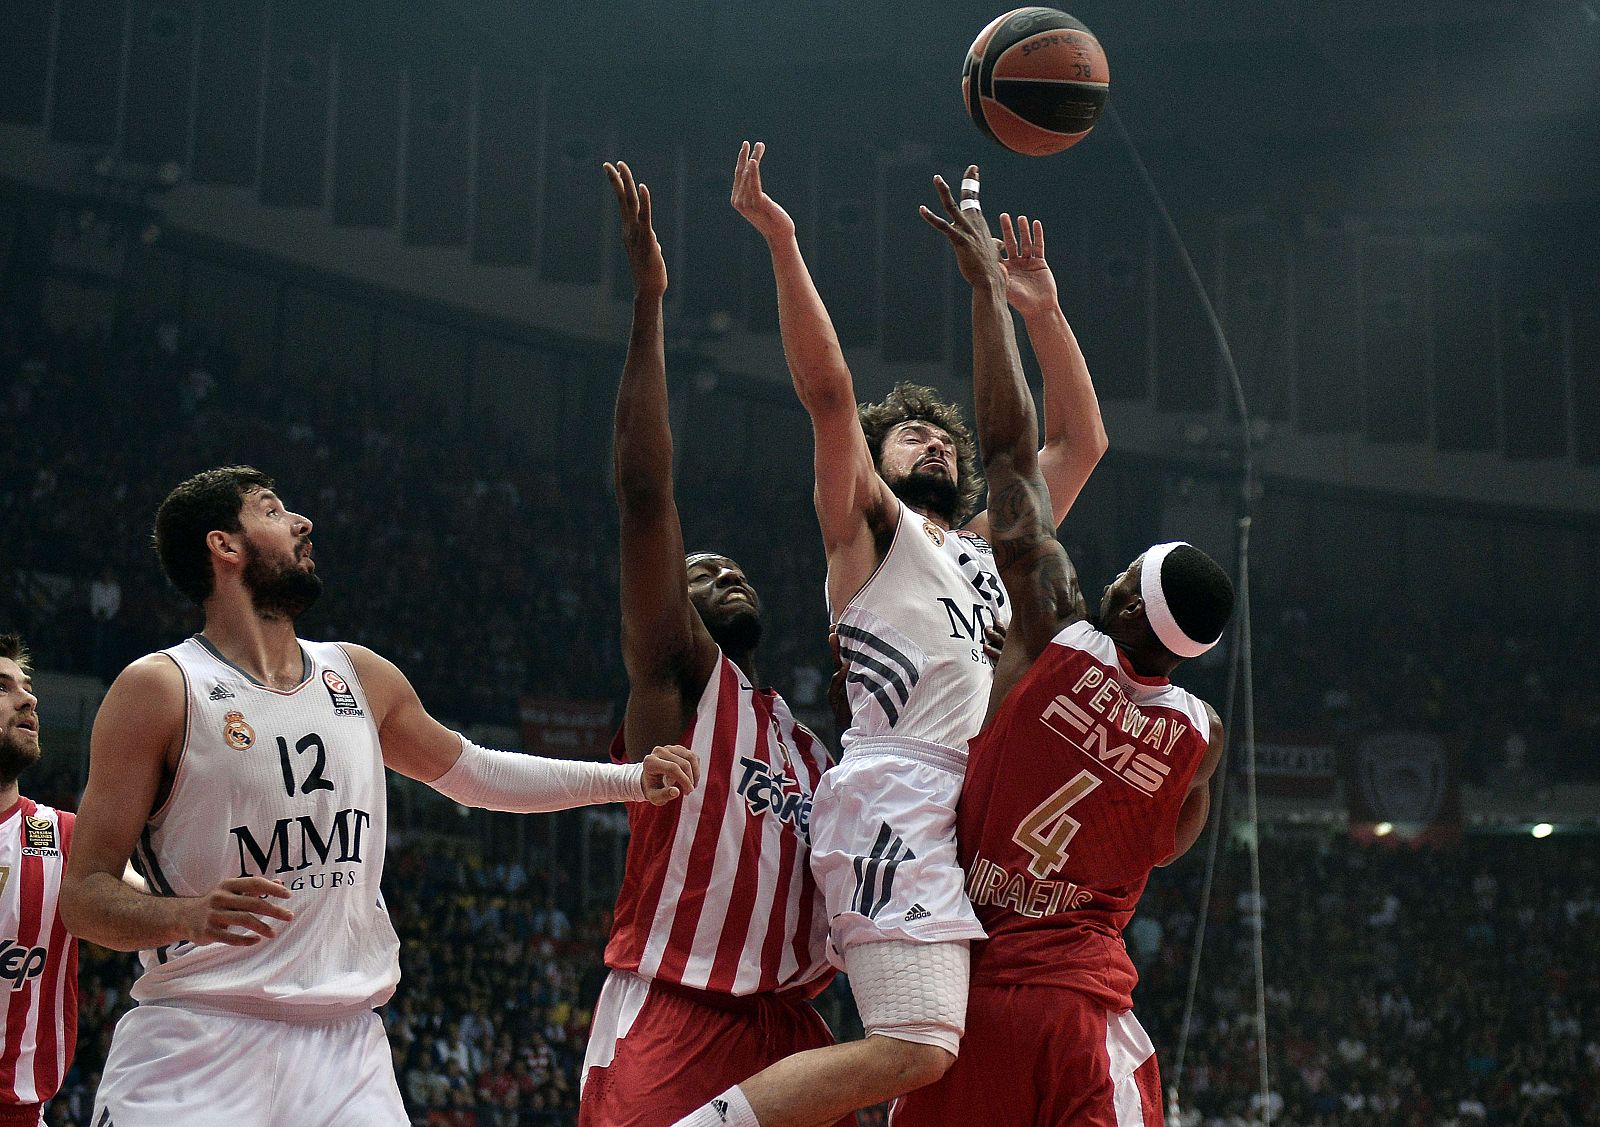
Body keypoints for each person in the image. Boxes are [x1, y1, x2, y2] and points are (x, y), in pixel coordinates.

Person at [672, 147, 1107, 1127]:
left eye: (941, 433)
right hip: (895, 791)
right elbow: (827, 393)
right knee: (915, 1046)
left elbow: (1080, 444)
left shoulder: (993, 547)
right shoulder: (868, 532)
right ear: (869, 464)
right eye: (907, 433)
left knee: (952, 1059)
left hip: (975, 810)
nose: (934, 439)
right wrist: (783, 243)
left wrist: (1037, 310)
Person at [58, 467, 699, 1127]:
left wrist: (626, 779)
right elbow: (83, 898)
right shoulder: (161, 688)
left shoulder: (357, 673)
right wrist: (186, 915)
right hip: (197, 1041)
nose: (303, 522)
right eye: (274, 510)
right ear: (225, 546)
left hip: (345, 1055)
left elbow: (474, 772)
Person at [894, 169, 1234, 1126]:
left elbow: (1013, 448)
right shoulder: (1202, 733)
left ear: (1123, 594)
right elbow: (1166, 840)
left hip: (966, 994)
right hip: (1084, 1009)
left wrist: (989, 296)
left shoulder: (1050, 626)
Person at [579, 160, 846, 1127]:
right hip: (674, 1012)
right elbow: (647, 495)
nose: (724, 573)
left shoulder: (815, 751)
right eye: (703, 571)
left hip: (794, 1027)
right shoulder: (680, 682)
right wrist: (648, 305)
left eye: (736, 569)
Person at [0, 633, 74, 1127]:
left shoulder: (65, 836)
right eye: (3, 687)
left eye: (27, 686)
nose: (30, 697)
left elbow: (154, 902)